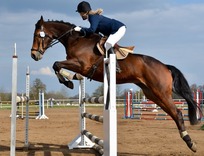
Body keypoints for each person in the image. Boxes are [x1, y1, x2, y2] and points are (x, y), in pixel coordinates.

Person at [74, 1, 126, 72]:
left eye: (80, 13)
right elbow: (95, 33)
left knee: (108, 44)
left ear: (84, 12)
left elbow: (92, 30)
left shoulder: (93, 17)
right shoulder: (92, 17)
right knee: (105, 43)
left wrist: (81, 29)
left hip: (118, 28)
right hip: (113, 30)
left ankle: (116, 66)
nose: (80, 15)